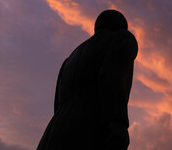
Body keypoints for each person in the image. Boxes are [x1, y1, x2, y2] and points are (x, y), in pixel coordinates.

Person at [37, 10, 138, 150]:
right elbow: (111, 75)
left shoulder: (68, 60)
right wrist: (117, 121)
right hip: (89, 124)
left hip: (54, 131)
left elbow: (57, 104)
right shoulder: (122, 38)